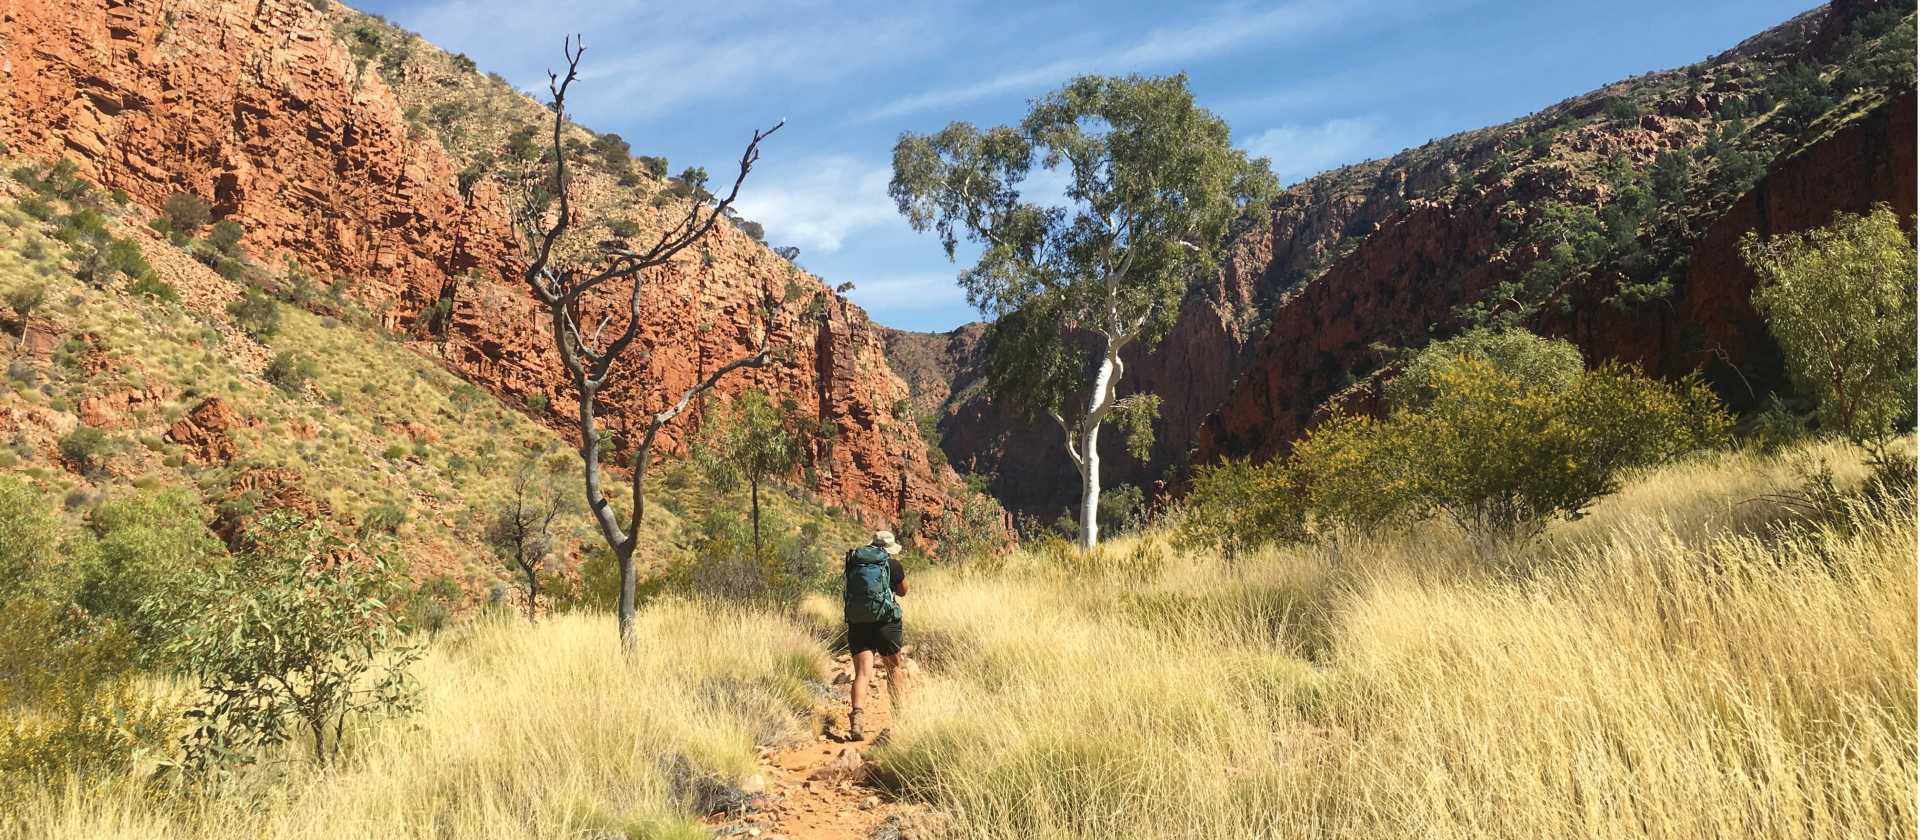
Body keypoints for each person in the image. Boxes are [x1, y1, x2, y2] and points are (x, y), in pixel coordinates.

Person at [843, 529, 907, 741]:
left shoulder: (855, 562)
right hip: (885, 623)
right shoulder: (892, 564)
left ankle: (857, 720)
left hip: (858, 622)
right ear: (888, 548)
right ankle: (900, 716)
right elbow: (903, 591)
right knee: (894, 668)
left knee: (862, 673)